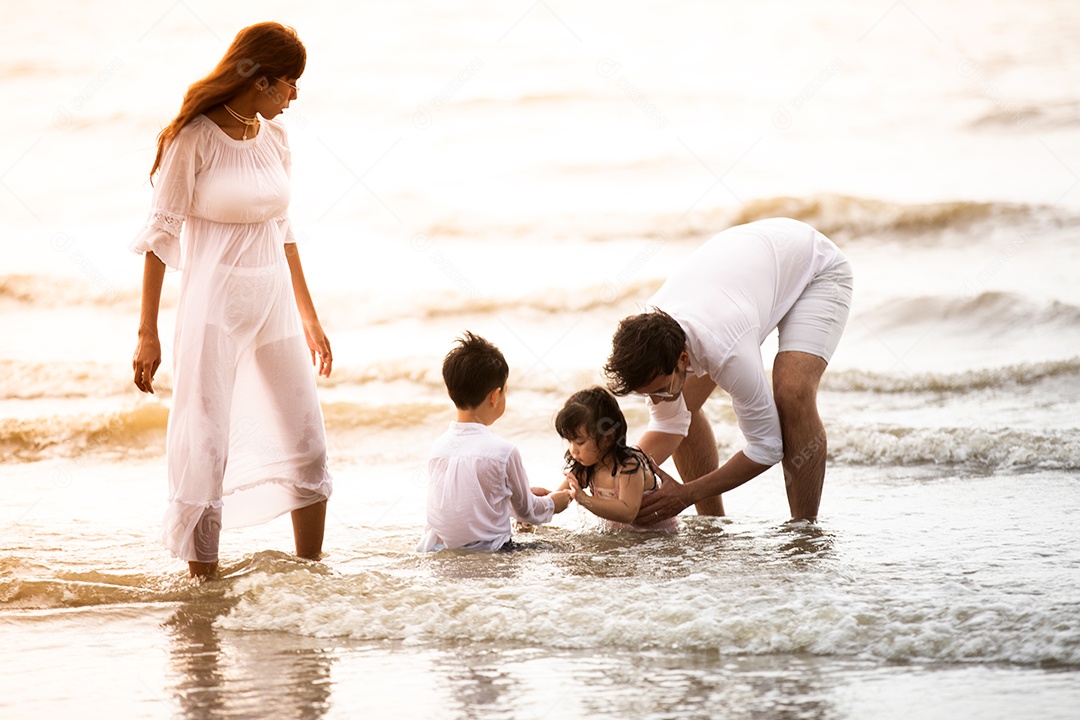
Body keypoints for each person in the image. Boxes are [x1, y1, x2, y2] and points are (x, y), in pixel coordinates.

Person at [130, 22, 333, 578]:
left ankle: (312, 573)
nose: (295, 95)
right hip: (213, 308)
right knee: (209, 445)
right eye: (290, 83)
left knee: (308, 439)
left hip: (273, 305)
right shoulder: (191, 138)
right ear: (263, 81)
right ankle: (206, 586)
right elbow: (159, 236)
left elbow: (284, 229)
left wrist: (309, 316)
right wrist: (147, 332)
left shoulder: (276, 140)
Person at [603, 217, 853, 524]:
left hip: (816, 270)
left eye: (659, 389)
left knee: (792, 392)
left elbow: (767, 448)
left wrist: (685, 493)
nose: (656, 400)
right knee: (685, 408)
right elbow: (669, 428)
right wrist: (601, 479)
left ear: (683, 359)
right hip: (749, 271)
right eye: (647, 394)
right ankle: (713, 526)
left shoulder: (728, 350)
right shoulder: (650, 336)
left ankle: (804, 530)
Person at [416, 332, 571, 552]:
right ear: (495, 396)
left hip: (441, 550)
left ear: (449, 391)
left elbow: (464, 508)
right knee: (565, 550)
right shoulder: (503, 452)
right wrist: (555, 503)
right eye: (505, 392)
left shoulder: (439, 447)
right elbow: (529, 512)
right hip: (493, 551)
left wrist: (511, 494)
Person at [554, 386, 678, 532]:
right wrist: (535, 508)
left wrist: (584, 499)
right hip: (627, 541)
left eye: (580, 442)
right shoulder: (586, 467)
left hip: (657, 539)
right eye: (569, 441)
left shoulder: (629, 467)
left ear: (608, 437)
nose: (573, 450)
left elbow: (628, 512)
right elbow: (561, 496)